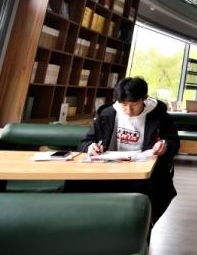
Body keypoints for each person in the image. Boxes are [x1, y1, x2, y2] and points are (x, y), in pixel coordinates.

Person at [77, 77, 180, 225]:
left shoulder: (160, 116)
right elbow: (85, 141)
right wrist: (90, 146)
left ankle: (140, 229)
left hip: (143, 174)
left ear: (144, 99)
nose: (128, 110)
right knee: (76, 185)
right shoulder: (107, 114)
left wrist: (165, 145)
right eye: (124, 105)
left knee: (149, 196)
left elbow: (174, 142)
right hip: (107, 171)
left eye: (134, 105)